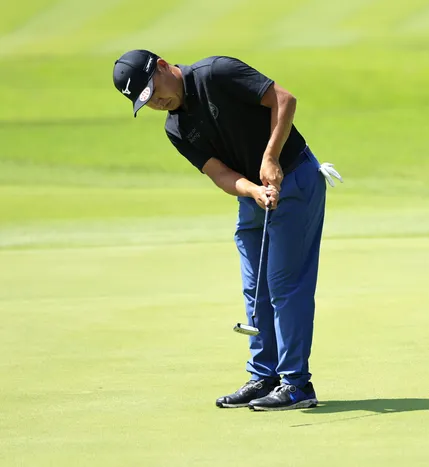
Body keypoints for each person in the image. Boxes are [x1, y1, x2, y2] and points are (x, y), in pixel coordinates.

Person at [112, 49, 342, 411]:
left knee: (285, 286)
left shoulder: (216, 73)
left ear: (163, 67)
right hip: (253, 197)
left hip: (295, 178)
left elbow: (284, 100)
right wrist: (252, 191)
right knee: (255, 289)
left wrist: (271, 157)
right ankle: (264, 376)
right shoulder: (176, 128)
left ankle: (297, 384)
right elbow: (219, 173)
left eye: (153, 91)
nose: (156, 102)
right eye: (146, 101)